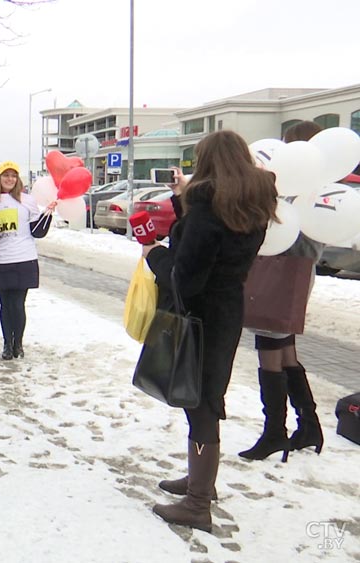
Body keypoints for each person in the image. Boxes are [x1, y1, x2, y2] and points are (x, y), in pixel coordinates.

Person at [142, 130, 278, 531]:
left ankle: (198, 502)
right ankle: (200, 478)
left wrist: (157, 256)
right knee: (204, 397)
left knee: (199, 403)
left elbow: (186, 277)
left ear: (206, 162)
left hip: (197, 316)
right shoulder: (250, 202)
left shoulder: (207, 208)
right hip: (226, 311)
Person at [239, 120, 326, 461]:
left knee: (270, 349)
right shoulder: (319, 188)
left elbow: (287, 232)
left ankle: (275, 430)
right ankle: (309, 424)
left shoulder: (301, 189)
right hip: (297, 273)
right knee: (285, 348)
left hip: (285, 272)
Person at [0, 161, 56, 361]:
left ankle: (18, 343)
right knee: (4, 304)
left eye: (13, 175)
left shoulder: (28, 201)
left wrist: (47, 214)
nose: (9, 179)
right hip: (0, 259)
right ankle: (7, 344)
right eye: (6, 175)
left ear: (18, 179)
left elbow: (37, 231)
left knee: (18, 304)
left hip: (23, 258)